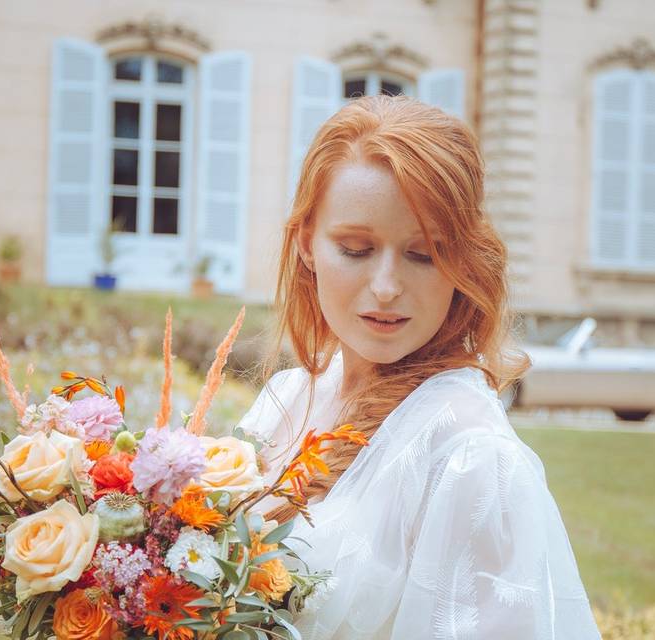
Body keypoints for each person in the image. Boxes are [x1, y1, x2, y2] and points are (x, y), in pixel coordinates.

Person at [239, 94, 601, 639]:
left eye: (424, 253)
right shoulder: (287, 400)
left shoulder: (471, 457)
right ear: (306, 243)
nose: (386, 288)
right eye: (356, 249)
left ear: (464, 262)